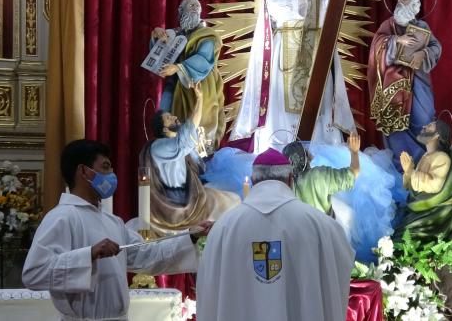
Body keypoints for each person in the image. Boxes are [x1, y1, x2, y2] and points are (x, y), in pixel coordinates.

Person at [22, 139, 211, 320]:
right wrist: (89, 255)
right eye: (105, 167)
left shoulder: (112, 222)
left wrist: (190, 236)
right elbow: (34, 273)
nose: (112, 174)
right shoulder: (62, 217)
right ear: (84, 171)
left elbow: (147, 255)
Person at [230, 0, 367, 153]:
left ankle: (317, 159)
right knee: (281, 106)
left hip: (316, 55)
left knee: (318, 106)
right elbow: (274, 7)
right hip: (285, 54)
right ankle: (280, 156)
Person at [196, 148, 354, 321]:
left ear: (254, 180)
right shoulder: (321, 225)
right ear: (290, 179)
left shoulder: (224, 228)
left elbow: (209, 291)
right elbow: (341, 264)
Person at [141, 84, 239, 236]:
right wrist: (199, 99)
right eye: (168, 118)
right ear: (165, 129)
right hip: (174, 206)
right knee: (231, 204)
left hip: (191, 198)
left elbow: (196, 160)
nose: (174, 117)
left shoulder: (176, 147)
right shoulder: (159, 147)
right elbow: (187, 136)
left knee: (234, 201)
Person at [368, 0, 442, 171]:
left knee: (423, 118)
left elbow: (436, 47)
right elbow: (376, 47)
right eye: (401, 1)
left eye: (407, 2)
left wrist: (423, 54)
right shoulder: (388, 25)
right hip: (393, 84)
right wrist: (396, 41)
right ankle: (402, 169)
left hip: (417, 81)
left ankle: (426, 166)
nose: (402, 4)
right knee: (395, 127)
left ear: (415, 7)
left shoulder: (422, 27)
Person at [151, 0, 226, 148]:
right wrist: (157, 35)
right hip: (177, 87)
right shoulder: (176, 34)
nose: (195, 8)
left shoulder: (207, 35)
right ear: (181, 11)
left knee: (200, 130)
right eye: (190, 5)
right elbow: (159, 56)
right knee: (168, 121)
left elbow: (204, 58)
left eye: (197, 6)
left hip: (200, 84)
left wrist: (179, 67)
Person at [395, 120, 452, 243]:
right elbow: (413, 186)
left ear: (437, 135)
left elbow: (434, 185)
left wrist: (411, 171)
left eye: (429, 126)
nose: (424, 127)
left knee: (401, 239)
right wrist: (408, 172)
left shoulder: (442, 158)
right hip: (418, 208)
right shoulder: (426, 156)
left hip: (430, 214)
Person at [283, 131, 361, 215]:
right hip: (324, 225)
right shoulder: (320, 175)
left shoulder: (283, 183)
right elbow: (353, 173)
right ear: (304, 157)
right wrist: (354, 152)